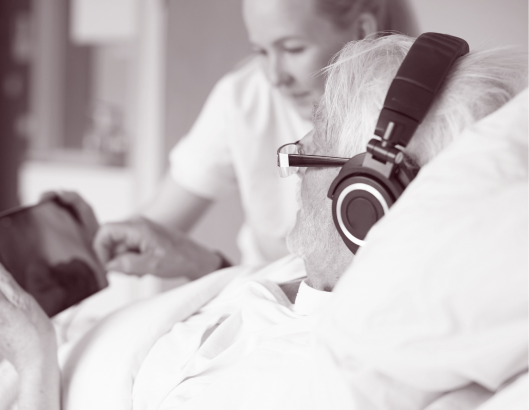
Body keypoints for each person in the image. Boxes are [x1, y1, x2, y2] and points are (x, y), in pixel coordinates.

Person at [0, 34, 526, 409]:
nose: (294, 161)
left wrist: (32, 359)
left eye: (311, 150)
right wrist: (201, 264)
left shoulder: (317, 374)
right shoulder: (318, 279)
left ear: (364, 203)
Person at [90, 0, 420, 282]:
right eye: (261, 51)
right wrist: (79, 244)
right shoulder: (243, 98)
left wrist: (206, 266)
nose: (274, 77)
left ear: (361, 30)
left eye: (292, 49)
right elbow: (151, 225)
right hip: (261, 306)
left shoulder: (426, 118)